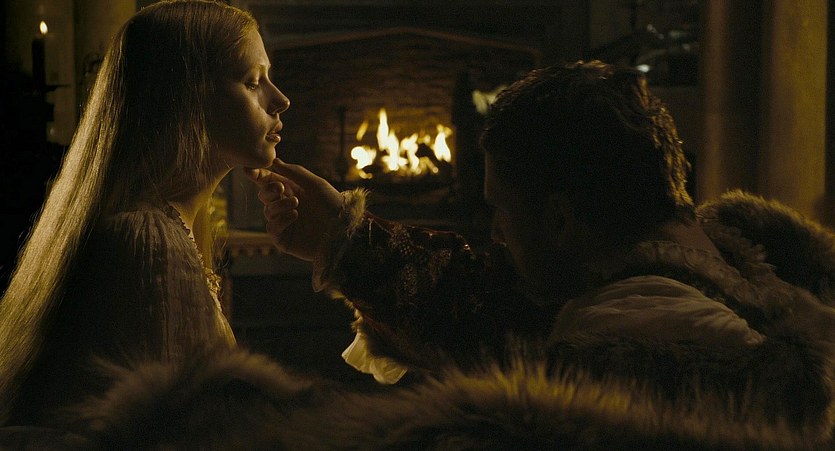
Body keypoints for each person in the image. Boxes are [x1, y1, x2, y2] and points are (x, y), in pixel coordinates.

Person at [236, 60, 835, 445]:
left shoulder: (609, 364)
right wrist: (344, 238)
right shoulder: (736, 266)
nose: (496, 236)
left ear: (560, 218)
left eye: (501, 211)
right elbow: (492, 309)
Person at [0, 0, 290, 426]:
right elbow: (176, 432)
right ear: (185, 99)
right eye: (252, 82)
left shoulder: (168, 231)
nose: (280, 100)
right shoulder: (149, 241)